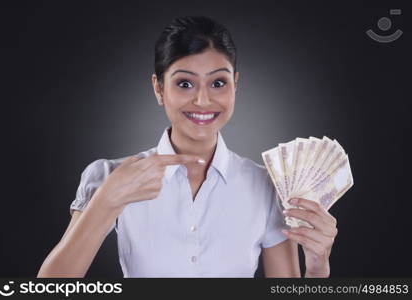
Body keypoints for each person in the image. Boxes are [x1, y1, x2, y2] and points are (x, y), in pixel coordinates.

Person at [37, 15, 338, 278]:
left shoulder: (268, 186)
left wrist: (317, 268)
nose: (203, 101)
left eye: (218, 83)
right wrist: (106, 201)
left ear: (236, 84)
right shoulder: (109, 174)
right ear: (158, 88)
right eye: (184, 83)